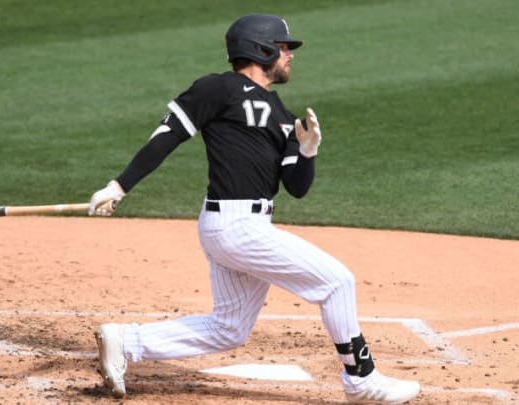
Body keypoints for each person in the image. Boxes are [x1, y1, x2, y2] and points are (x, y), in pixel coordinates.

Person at [87, 14, 420, 404]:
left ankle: (125, 341)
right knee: (336, 282)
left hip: (243, 226)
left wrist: (308, 150)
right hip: (234, 226)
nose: (290, 56)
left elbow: (296, 187)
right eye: (283, 48)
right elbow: (167, 136)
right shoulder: (218, 89)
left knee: (229, 329)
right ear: (260, 50)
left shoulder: (282, 115)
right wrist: (119, 185)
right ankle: (361, 381)